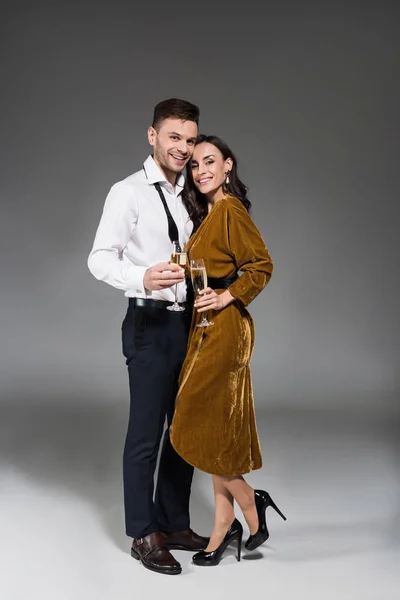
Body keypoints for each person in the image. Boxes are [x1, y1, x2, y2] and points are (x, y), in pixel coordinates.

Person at [87, 99, 208, 576]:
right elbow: (98, 259)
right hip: (149, 323)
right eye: (174, 137)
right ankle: (143, 531)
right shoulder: (128, 192)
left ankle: (175, 522)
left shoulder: (192, 193)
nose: (183, 147)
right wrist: (142, 278)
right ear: (152, 136)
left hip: (189, 324)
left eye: (191, 138)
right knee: (145, 435)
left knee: (185, 430)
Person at [170, 134, 287, 566]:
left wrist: (226, 296)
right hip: (205, 327)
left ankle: (249, 502)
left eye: (209, 162)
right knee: (214, 426)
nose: (200, 171)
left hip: (225, 327)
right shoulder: (211, 214)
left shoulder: (231, 210)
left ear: (228, 166)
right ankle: (226, 525)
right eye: (195, 165)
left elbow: (261, 265)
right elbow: (206, 264)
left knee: (199, 420)